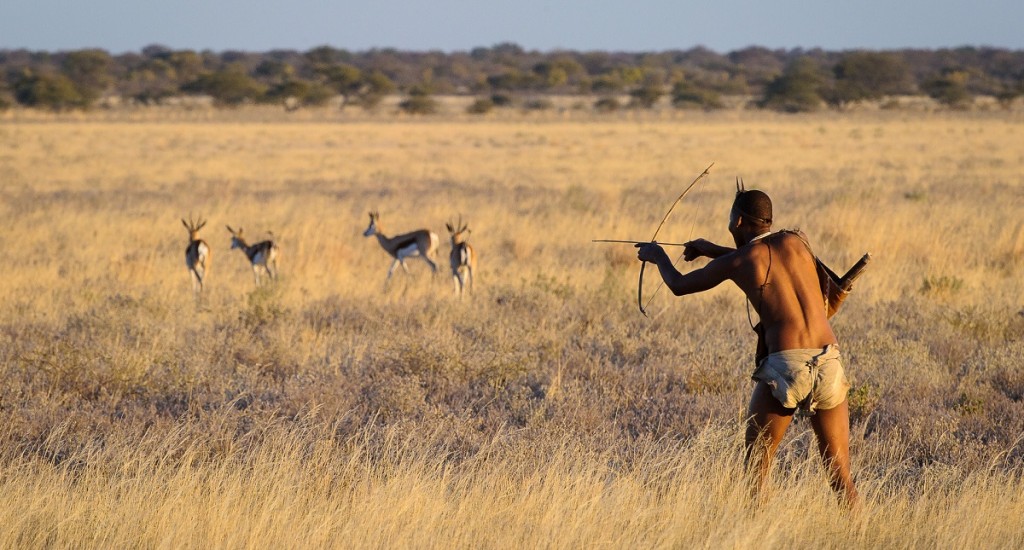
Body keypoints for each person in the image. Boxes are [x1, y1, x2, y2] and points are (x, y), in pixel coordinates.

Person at [635, 188, 859, 509]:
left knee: (756, 472)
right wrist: (713, 250)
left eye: (730, 219)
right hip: (829, 361)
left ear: (738, 220)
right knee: (840, 476)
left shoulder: (741, 261)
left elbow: (680, 285)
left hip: (786, 365)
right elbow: (765, 259)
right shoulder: (798, 242)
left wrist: (658, 256)